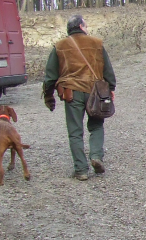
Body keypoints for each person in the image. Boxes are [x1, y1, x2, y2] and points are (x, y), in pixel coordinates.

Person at [42, 14, 116, 181]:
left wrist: (48, 96)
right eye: (86, 25)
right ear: (82, 26)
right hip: (95, 91)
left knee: (75, 132)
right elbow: (108, 70)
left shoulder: (59, 46)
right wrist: (110, 88)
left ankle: (81, 170)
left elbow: (50, 75)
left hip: (71, 93)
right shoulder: (97, 43)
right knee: (96, 125)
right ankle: (96, 156)